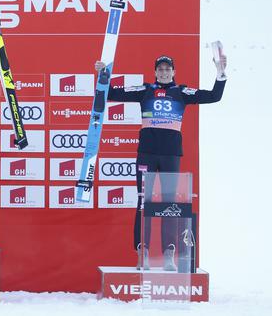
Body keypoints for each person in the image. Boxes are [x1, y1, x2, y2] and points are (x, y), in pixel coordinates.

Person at [95, 54, 227, 270]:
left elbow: (214, 96)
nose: (164, 72)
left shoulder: (182, 92)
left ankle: (169, 253)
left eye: (168, 69)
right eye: (161, 69)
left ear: (173, 72)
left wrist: (220, 73)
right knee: (142, 204)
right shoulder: (144, 90)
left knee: (169, 206)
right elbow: (110, 93)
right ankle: (142, 253)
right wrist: (103, 73)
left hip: (170, 155)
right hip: (146, 154)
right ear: (155, 71)